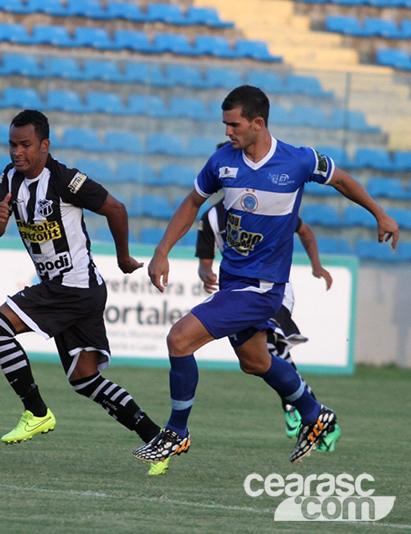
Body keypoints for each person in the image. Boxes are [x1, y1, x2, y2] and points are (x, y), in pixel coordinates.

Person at [134, 85, 399, 465]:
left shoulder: (298, 160)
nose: (227, 132)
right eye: (225, 124)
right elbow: (193, 202)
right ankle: (314, 413)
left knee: (179, 339)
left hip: (261, 289)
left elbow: (341, 179)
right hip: (233, 282)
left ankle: (176, 432)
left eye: (234, 124)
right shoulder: (222, 161)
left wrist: (379, 213)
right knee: (255, 362)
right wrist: (161, 251)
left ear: (258, 123)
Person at [0, 109, 167, 475]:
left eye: (25, 145)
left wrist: (123, 256)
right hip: (70, 289)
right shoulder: (9, 177)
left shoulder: (66, 180)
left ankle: (36, 412)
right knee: (85, 380)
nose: (17, 152)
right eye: (12, 145)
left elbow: (116, 208)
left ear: (44, 145)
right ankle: (157, 440)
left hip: (73, 287)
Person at [196, 197, 340, 450]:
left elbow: (304, 231)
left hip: (274, 289)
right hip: (237, 294)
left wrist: (316, 265)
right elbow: (204, 263)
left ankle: (301, 413)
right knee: (258, 361)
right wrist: (206, 274)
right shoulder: (210, 218)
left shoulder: (268, 200)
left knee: (274, 348)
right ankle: (318, 419)